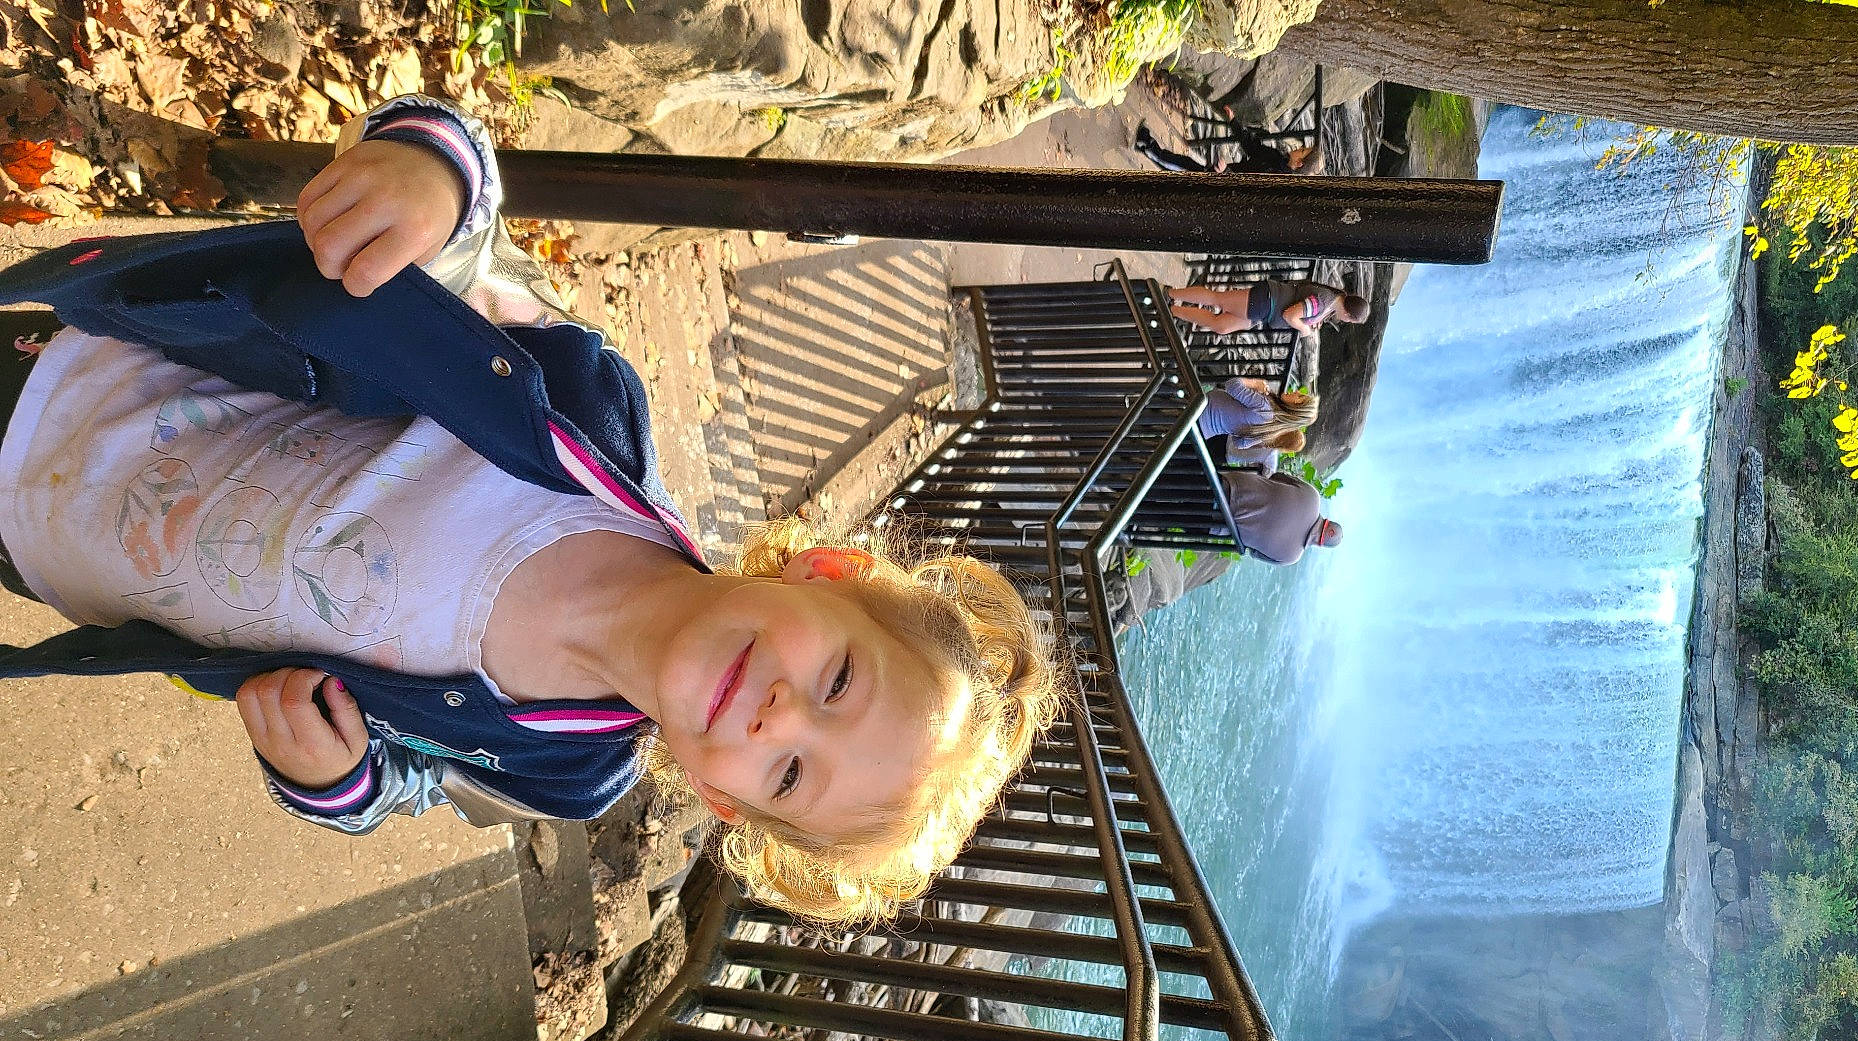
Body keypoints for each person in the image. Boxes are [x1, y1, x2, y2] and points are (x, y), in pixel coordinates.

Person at [0, 97, 1058, 925]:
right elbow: (468, 261)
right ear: (821, 574)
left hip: (50, 558)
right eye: (838, 679)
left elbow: (414, 779)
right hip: (63, 386)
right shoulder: (586, 421)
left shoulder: (564, 767)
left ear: (725, 800)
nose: (781, 718)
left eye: (789, 771)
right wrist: (426, 179)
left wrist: (336, 781)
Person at [1167, 279, 1369, 339]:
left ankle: (1173, 311)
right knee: (1217, 300)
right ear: (1350, 315)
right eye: (1350, 320)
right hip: (1268, 301)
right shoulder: (1325, 301)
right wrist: (1305, 329)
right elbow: (1291, 315)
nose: (1346, 322)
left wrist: (1309, 323)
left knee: (1222, 326)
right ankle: (1170, 294)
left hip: (1266, 310)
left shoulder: (1330, 303)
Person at [1221, 469, 1344, 565]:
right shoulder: (1291, 557)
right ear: (1320, 544)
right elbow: (1253, 552)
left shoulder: (1313, 496)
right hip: (1216, 522)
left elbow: (1276, 477)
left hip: (1225, 482)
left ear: (1328, 522)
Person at [1198, 376, 1318, 475]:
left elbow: (1232, 385)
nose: (1297, 392)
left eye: (1300, 397)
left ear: (1296, 407)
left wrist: (1256, 383)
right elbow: (1239, 443)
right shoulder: (1270, 431)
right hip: (1203, 432)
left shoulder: (1265, 407)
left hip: (1198, 411)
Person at [1133, 120, 1324, 178]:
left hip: (1221, 181)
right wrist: (1235, 124)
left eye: (1302, 150)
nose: (1299, 147)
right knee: (1185, 167)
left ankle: (1148, 147)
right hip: (1222, 174)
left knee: (1183, 168)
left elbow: (1243, 185)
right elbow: (1252, 146)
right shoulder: (1276, 157)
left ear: (1299, 163)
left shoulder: (1274, 176)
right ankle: (1147, 146)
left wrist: (1226, 172)